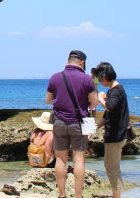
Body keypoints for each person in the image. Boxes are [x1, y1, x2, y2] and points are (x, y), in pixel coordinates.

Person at [45, 50, 98, 198]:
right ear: (82, 63)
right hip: (78, 123)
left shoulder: (55, 77)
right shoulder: (87, 79)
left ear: (68, 61)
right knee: (79, 159)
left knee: (60, 159)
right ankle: (78, 195)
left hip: (60, 123)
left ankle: (62, 194)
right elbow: (94, 103)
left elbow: (48, 100)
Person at [95, 62, 130, 198]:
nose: (99, 81)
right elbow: (108, 114)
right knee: (111, 166)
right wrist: (96, 127)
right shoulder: (114, 90)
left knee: (112, 167)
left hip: (116, 136)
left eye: (99, 78)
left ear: (105, 76)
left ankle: (117, 195)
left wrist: (100, 98)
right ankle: (116, 194)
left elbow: (109, 107)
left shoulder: (116, 90)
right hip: (116, 135)